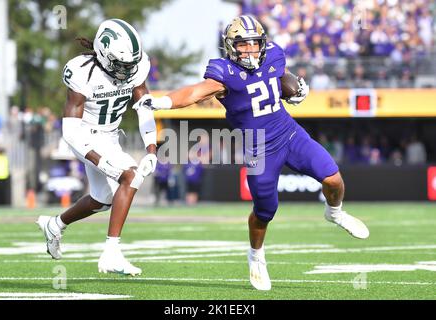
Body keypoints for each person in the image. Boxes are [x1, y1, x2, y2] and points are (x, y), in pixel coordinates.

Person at [135, 15, 369, 290]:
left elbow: (282, 78)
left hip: (289, 133)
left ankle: (335, 212)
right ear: (231, 46)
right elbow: (195, 93)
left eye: (254, 43)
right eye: (243, 44)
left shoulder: (274, 55)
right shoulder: (223, 73)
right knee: (265, 211)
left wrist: (295, 89)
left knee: (332, 178)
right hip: (259, 148)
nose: (250, 50)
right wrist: (161, 101)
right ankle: (256, 255)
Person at [36, 19, 158, 276]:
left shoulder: (135, 66)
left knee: (102, 200)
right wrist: (100, 160)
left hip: (111, 136)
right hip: (85, 136)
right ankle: (112, 252)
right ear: (104, 54)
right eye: (121, 64)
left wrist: (151, 147)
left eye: (130, 65)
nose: (126, 70)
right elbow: (69, 131)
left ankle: (55, 225)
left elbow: (144, 106)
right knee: (131, 175)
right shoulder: (81, 72)